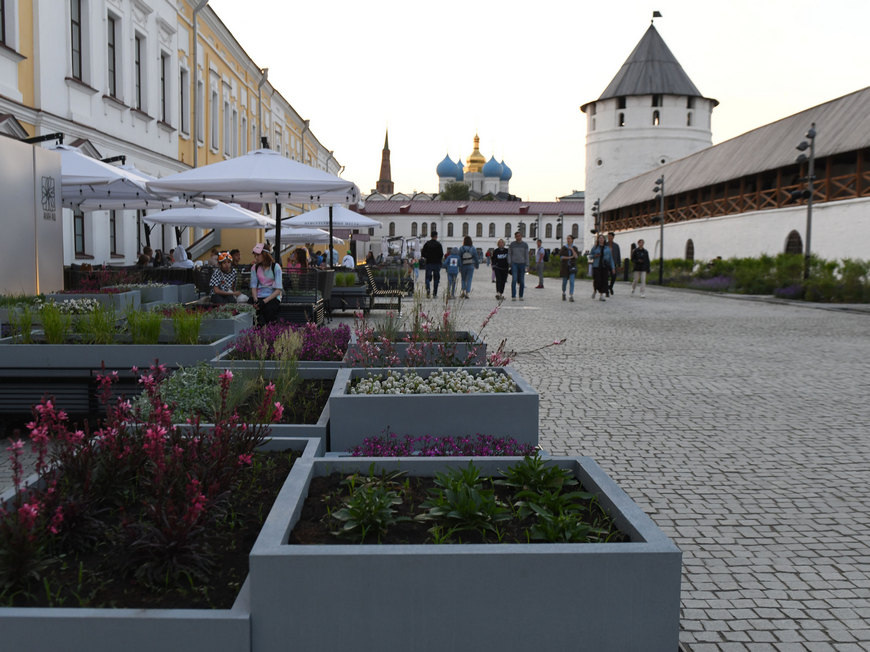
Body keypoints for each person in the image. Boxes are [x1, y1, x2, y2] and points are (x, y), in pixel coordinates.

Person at [250, 243, 283, 325]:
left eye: (258, 255)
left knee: (269, 311)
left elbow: (278, 290)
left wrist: (264, 302)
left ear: (265, 254)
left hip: (272, 297)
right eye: (255, 255)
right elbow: (253, 287)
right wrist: (256, 300)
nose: (256, 257)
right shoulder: (254, 267)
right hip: (259, 297)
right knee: (251, 312)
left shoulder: (276, 267)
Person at [590, 234, 615, 301]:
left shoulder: (607, 248)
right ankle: (595, 290)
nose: (601, 239)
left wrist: (613, 267)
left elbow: (610, 258)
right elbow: (590, 256)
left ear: (604, 240)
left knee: (604, 281)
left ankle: (601, 295)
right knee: (597, 280)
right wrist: (595, 256)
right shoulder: (595, 247)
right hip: (596, 266)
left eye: (602, 238)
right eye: (600, 238)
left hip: (604, 266)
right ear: (598, 240)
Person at [421, 231, 444, 298]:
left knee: (427, 278)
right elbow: (441, 254)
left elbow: (423, 253)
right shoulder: (439, 245)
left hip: (429, 263)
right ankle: (434, 293)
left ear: (431, 236)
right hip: (436, 263)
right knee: (436, 279)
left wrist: (428, 256)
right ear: (436, 236)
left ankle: (428, 290)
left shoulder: (427, 244)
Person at [507, 231, 529, 301]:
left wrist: (527, 264)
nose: (518, 237)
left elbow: (526, 255)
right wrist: (509, 262)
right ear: (515, 237)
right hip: (514, 264)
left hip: (522, 264)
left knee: (522, 281)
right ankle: (513, 295)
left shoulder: (525, 245)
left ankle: (521, 295)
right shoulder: (512, 244)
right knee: (514, 279)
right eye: (517, 236)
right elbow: (509, 253)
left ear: (521, 236)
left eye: (519, 236)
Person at [560, 234, 579, 302]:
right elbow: (561, 257)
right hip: (565, 267)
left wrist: (572, 249)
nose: (568, 240)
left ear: (572, 240)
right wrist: (570, 257)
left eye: (569, 238)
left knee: (572, 281)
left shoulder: (575, 248)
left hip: (572, 267)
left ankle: (571, 295)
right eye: (567, 238)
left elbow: (576, 256)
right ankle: (563, 292)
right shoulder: (564, 248)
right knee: (564, 282)